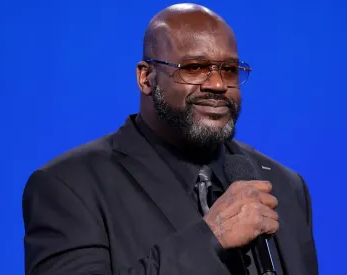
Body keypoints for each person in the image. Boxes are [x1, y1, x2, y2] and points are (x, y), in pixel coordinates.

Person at [22, 3, 318, 275]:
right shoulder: (69, 185)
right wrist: (210, 237)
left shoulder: (285, 186)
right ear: (146, 78)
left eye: (229, 70)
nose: (217, 84)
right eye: (194, 68)